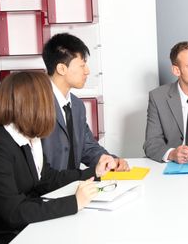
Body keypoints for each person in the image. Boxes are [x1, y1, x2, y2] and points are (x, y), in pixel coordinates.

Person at [0, 72, 115, 244]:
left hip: (17, 231)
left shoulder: (29, 139)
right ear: (32, 105)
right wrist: (74, 202)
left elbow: (47, 178)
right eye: (47, 100)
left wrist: (93, 172)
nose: (52, 107)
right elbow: (14, 212)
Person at [41, 33, 129, 171]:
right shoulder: (35, 103)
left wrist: (110, 160)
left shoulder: (76, 105)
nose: (87, 71)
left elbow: (86, 147)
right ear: (61, 69)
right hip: (44, 189)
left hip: (73, 186)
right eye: (82, 65)